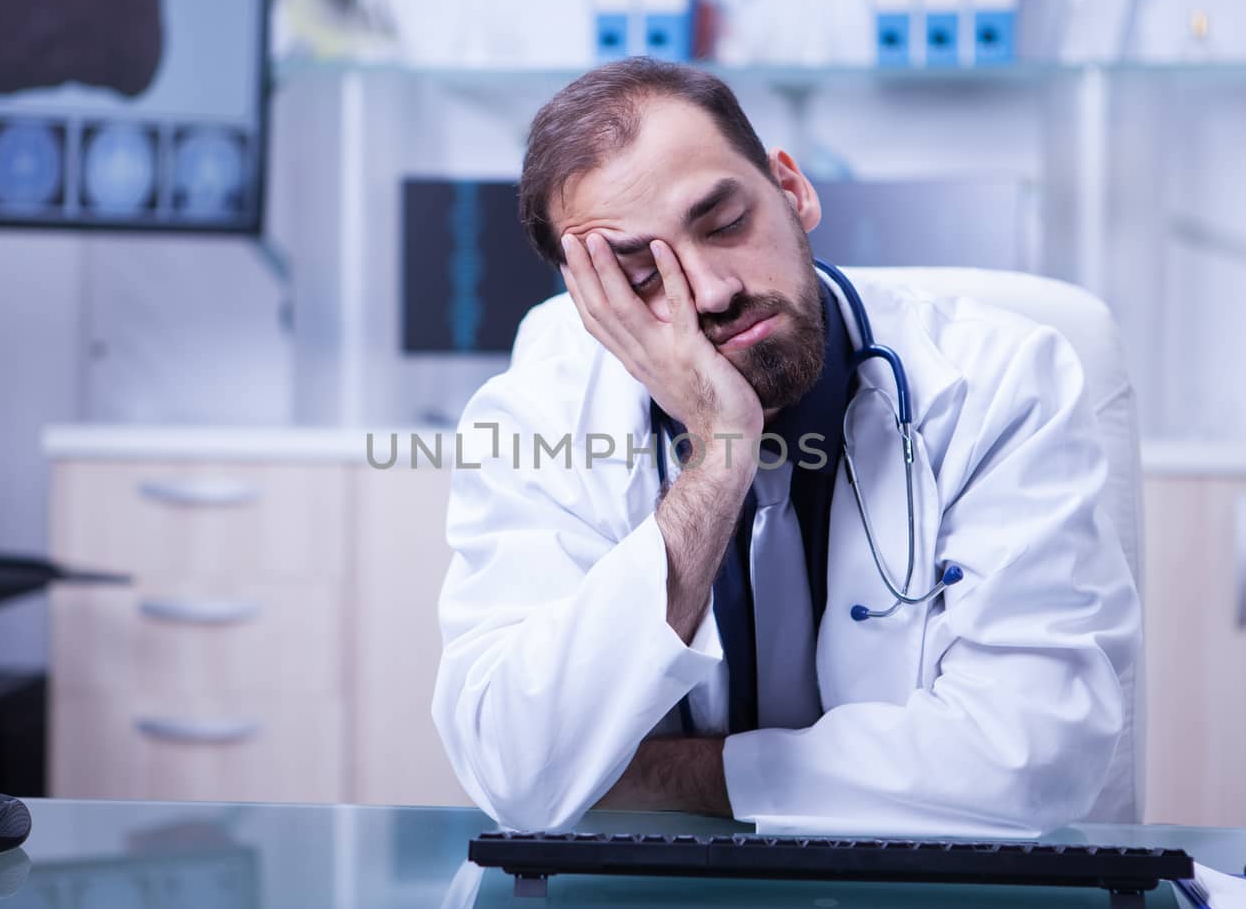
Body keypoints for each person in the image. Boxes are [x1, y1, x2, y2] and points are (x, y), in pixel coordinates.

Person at [430, 58, 1140, 836]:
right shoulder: (539, 418)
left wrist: (676, 775)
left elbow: (1034, 753)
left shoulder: (1003, 380)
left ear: (792, 189)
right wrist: (720, 454)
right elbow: (514, 766)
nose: (708, 291)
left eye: (725, 224)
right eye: (641, 279)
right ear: (594, 310)